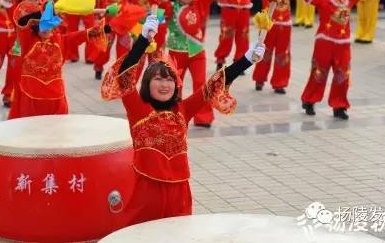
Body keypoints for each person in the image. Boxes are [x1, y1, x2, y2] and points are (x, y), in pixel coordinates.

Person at [101, 14, 265, 224]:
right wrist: (143, 40)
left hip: (180, 191)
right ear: (148, 84)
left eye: (169, 80)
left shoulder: (183, 109)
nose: (164, 85)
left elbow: (213, 86)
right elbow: (124, 76)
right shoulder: (138, 109)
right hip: (147, 192)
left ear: (176, 85)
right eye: (158, 79)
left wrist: (247, 60)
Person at [296, 0, 374, 120]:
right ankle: (309, 101)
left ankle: (339, 106)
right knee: (319, 73)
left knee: (342, 76)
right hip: (324, 43)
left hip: (343, 45)